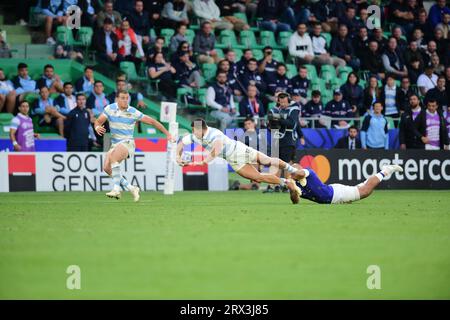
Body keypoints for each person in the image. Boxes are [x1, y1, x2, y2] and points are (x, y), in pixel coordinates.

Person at [176, 118, 301, 201]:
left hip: (239, 151)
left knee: (267, 161)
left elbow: (216, 150)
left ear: (200, 129)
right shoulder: (195, 136)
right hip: (233, 160)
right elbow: (181, 143)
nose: (193, 132)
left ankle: (293, 170)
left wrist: (203, 162)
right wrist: (178, 156)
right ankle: (287, 183)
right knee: (257, 178)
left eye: (194, 130)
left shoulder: (215, 134)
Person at [94, 90, 174, 201]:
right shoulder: (110, 109)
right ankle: (131, 188)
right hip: (115, 144)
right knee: (107, 168)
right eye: (122, 98)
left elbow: (152, 122)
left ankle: (117, 189)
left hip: (127, 143)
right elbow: (98, 121)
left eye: (127, 98)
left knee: (113, 158)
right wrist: (97, 127)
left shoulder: (133, 112)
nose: (125, 100)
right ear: (117, 99)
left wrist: (168, 134)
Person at [288, 163, 404, 204]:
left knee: (365, 191)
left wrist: (293, 174)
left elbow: (301, 173)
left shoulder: (308, 172)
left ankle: (386, 170)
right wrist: (292, 189)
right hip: (331, 197)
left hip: (335, 194)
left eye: (293, 171)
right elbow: (295, 201)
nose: (291, 174)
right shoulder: (295, 185)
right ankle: (367, 182)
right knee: (364, 191)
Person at [267, 92, 304, 192]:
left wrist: (277, 119)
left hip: (288, 139)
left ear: (288, 100)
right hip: (276, 138)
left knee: (287, 164)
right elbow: (271, 125)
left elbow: (292, 123)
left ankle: (287, 186)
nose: (282, 103)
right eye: (280, 101)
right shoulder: (275, 110)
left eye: (284, 101)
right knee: (276, 163)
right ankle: (276, 185)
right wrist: (271, 124)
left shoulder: (294, 108)